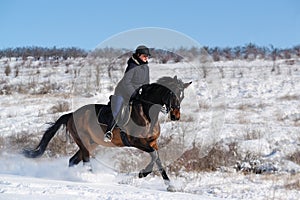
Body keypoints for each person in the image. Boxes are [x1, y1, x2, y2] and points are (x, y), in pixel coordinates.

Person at [104, 45, 151, 142]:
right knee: (117, 109)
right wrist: (134, 94)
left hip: (137, 93)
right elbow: (126, 82)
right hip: (123, 92)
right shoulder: (132, 66)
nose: (146, 58)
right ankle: (109, 131)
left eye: (147, 56)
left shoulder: (146, 67)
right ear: (138, 55)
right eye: (144, 56)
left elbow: (146, 83)